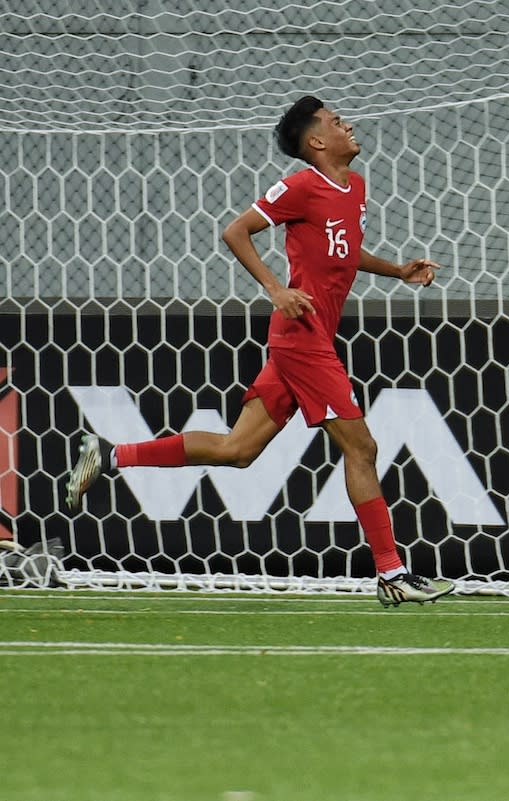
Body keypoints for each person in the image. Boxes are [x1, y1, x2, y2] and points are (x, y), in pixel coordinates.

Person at [65, 95, 454, 607]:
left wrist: (398, 271)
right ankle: (392, 573)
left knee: (238, 451)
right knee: (362, 449)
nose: (348, 125)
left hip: (304, 344)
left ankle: (109, 454)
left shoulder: (353, 187)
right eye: (337, 122)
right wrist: (275, 288)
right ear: (317, 141)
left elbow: (343, 250)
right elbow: (236, 230)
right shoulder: (301, 186)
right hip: (303, 342)